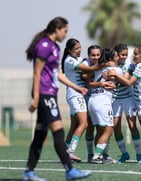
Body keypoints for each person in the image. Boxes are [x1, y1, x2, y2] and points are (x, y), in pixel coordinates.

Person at [23, 17, 91, 181]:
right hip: (44, 94)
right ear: (57, 28)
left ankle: (29, 172)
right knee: (58, 131)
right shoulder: (44, 46)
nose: (66, 34)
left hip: (50, 94)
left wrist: (77, 87)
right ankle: (70, 170)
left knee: (40, 134)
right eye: (65, 31)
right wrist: (36, 97)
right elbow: (37, 73)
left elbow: (58, 74)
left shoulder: (55, 47)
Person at [61, 38, 101, 163]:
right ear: (69, 50)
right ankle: (70, 152)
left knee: (74, 126)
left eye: (80, 48)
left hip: (78, 95)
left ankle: (64, 153)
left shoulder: (78, 59)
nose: (79, 50)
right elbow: (88, 70)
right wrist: (104, 64)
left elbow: (86, 73)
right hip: (75, 95)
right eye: (76, 49)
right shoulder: (69, 61)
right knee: (84, 124)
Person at [81, 45, 115, 163]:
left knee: (100, 131)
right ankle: (96, 155)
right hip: (102, 101)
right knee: (109, 129)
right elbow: (87, 79)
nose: (95, 57)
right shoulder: (103, 67)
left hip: (93, 101)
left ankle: (101, 155)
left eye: (98, 55)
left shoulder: (94, 68)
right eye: (93, 55)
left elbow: (90, 82)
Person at [112, 43, 141, 163]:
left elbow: (125, 80)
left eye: (126, 54)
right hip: (115, 99)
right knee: (115, 127)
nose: (124, 57)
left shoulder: (129, 65)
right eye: (122, 54)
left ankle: (139, 155)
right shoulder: (111, 65)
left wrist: (114, 76)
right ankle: (124, 154)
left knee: (132, 126)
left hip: (128, 98)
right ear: (116, 54)